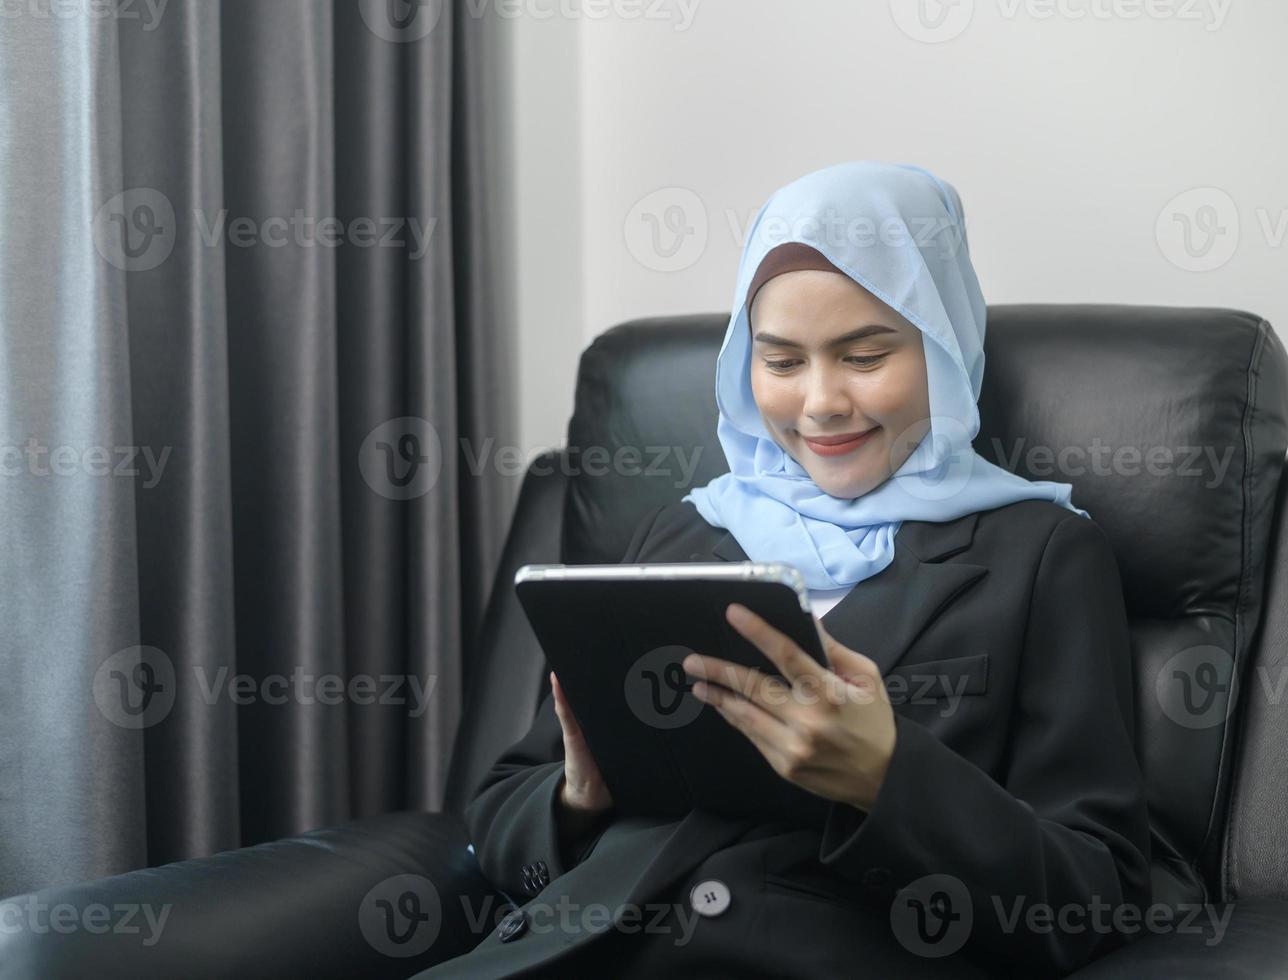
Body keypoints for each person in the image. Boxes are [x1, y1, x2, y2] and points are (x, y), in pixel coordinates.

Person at [415, 161, 1152, 979]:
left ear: (943, 346)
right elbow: (498, 806)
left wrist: (886, 776)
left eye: (865, 355)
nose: (821, 404)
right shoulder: (685, 532)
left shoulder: (1040, 554)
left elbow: (1094, 895)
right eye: (782, 361)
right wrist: (578, 794)